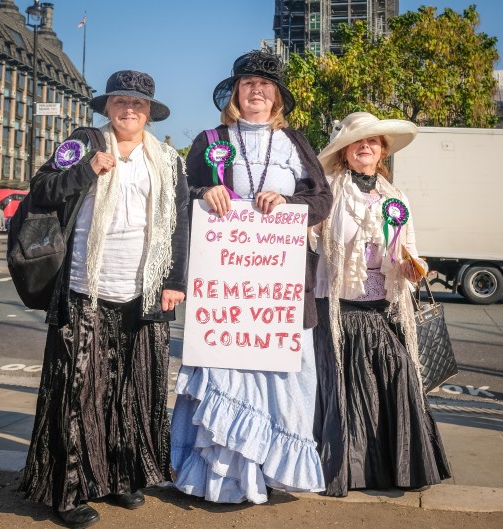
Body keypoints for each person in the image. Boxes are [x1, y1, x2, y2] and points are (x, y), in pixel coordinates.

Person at [20, 70, 190, 528]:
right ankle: (67, 491)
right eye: (120, 102)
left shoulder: (169, 161)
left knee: (133, 390)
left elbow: (179, 226)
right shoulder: (84, 141)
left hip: (143, 292)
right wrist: (84, 170)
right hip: (85, 286)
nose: (128, 110)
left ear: (150, 113)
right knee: (77, 392)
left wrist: (175, 280)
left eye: (137, 104)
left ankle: (121, 477)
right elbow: (41, 189)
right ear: (107, 107)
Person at [171, 50, 333, 504]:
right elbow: (185, 194)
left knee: (284, 374)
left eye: (264, 85)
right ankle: (217, 479)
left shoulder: (295, 144)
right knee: (224, 372)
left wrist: (289, 205)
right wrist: (208, 191)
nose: (256, 91)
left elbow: (321, 198)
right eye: (247, 84)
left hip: (279, 288)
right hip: (225, 290)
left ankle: (272, 470)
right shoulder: (208, 139)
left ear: (276, 96)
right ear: (236, 93)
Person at [312, 111, 451, 497]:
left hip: (385, 306)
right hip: (340, 307)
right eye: (359, 141)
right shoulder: (328, 189)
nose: (366, 147)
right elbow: (304, 233)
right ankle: (350, 472)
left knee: (398, 375)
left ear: (382, 152)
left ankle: (396, 467)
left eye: (373, 142)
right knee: (345, 389)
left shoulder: (395, 196)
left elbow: (409, 247)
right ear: (345, 151)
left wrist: (414, 266)